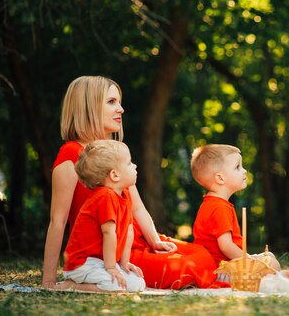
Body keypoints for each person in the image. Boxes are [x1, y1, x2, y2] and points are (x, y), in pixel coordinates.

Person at [42, 76, 219, 290]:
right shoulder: (71, 155)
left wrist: (155, 241)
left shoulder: (117, 152)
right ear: (87, 107)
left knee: (202, 254)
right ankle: (76, 283)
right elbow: (57, 221)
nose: (121, 109)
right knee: (188, 268)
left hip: (136, 241)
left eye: (119, 101)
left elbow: (137, 207)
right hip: (109, 252)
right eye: (111, 102)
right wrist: (48, 281)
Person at [62, 140, 145, 292]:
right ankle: (72, 285)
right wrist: (112, 268)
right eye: (129, 163)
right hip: (83, 263)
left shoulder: (125, 194)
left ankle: (100, 280)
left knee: (138, 284)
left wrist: (124, 263)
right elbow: (109, 233)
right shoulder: (105, 196)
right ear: (114, 175)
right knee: (116, 287)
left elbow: (129, 231)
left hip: (101, 262)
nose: (134, 166)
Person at [191, 144, 281, 270]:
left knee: (269, 256)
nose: (244, 170)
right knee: (272, 265)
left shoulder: (212, 204)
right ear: (220, 178)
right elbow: (226, 246)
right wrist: (249, 261)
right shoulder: (219, 207)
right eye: (237, 167)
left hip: (223, 263)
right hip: (221, 268)